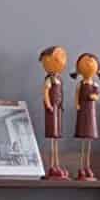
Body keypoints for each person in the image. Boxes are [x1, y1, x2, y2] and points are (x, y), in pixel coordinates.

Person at [71, 53, 100, 181]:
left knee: (89, 137)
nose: (89, 63)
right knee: (83, 137)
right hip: (83, 111)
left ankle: (87, 166)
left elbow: (97, 95)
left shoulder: (95, 84)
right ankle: (81, 167)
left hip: (91, 111)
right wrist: (77, 105)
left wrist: (94, 97)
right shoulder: (81, 84)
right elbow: (76, 95)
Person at [39, 46, 68, 179]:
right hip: (51, 109)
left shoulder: (59, 79)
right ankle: (52, 166)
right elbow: (45, 93)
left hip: (58, 108)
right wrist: (49, 105)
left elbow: (61, 93)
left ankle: (57, 165)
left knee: (57, 135)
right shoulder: (49, 80)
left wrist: (61, 104)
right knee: (52, 135)